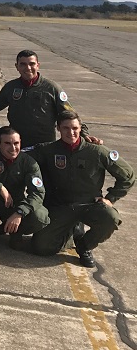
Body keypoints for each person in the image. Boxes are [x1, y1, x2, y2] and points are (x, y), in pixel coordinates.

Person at [32, 112, 134, 267]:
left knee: (110, 218)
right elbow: (18, 154)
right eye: (65, 128)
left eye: (74, 128)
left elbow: (128, 176)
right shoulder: (48, 150)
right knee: (41, 248)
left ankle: (85, 246)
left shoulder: (97, 151)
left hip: (89, 205)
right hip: (61, 206)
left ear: (81, 129)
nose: (70, 132)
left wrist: (110, 198)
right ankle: (72, 231)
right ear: (58, 128)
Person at [0, 50, 92, 149]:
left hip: (45, 145)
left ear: (38, 65)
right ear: (16, 66)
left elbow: (69, 114)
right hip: (18, 145)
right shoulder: (11, 87)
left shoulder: (51, 88)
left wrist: (84, 134)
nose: (28, 68)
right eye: (23, 64)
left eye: (31, 64)